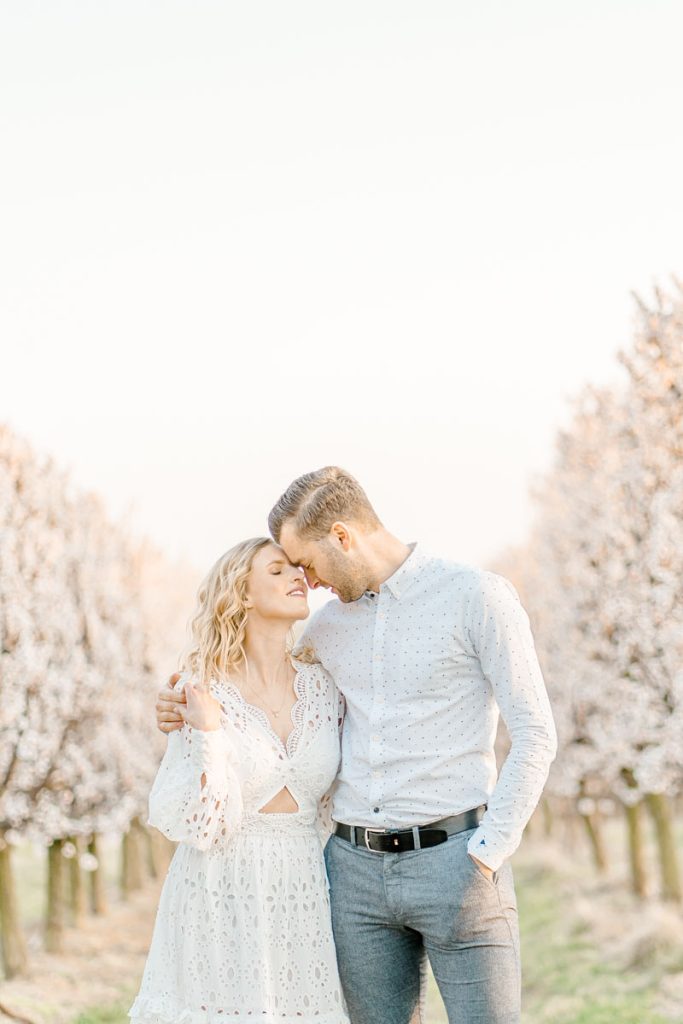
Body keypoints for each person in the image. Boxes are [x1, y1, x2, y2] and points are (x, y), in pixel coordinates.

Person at [156, 467, 558, 1024]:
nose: (308, 580)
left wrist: (488, 853)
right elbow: (264, 700)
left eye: (308, 563)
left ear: (343, 537)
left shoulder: (476, 597)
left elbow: (536, 732)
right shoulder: (324, 631)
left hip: (458, 860)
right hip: (352, 878)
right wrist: (184, 710)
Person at [128, 536, 354, 1024]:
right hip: (219, 890)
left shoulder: (326, 683)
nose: (297, 577)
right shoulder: (200, 687)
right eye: (276, 571)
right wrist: (208, 732)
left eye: (296, 569)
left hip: (302, 892)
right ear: (242, 594)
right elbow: (202, 825)